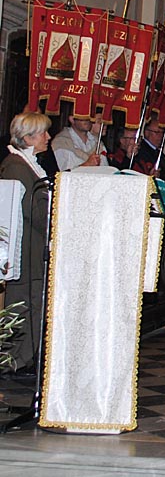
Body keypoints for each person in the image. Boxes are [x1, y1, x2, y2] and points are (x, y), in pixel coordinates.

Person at [0, 112, 52, 378]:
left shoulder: (28, 164)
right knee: (22, 303)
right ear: (28, 137)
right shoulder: (16, 166)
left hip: (34, 244)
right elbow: (31, 209)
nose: (48, 137)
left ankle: (26, 357)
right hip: (25, 248)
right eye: (43, 133)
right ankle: (14, 361)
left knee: (33, 301)